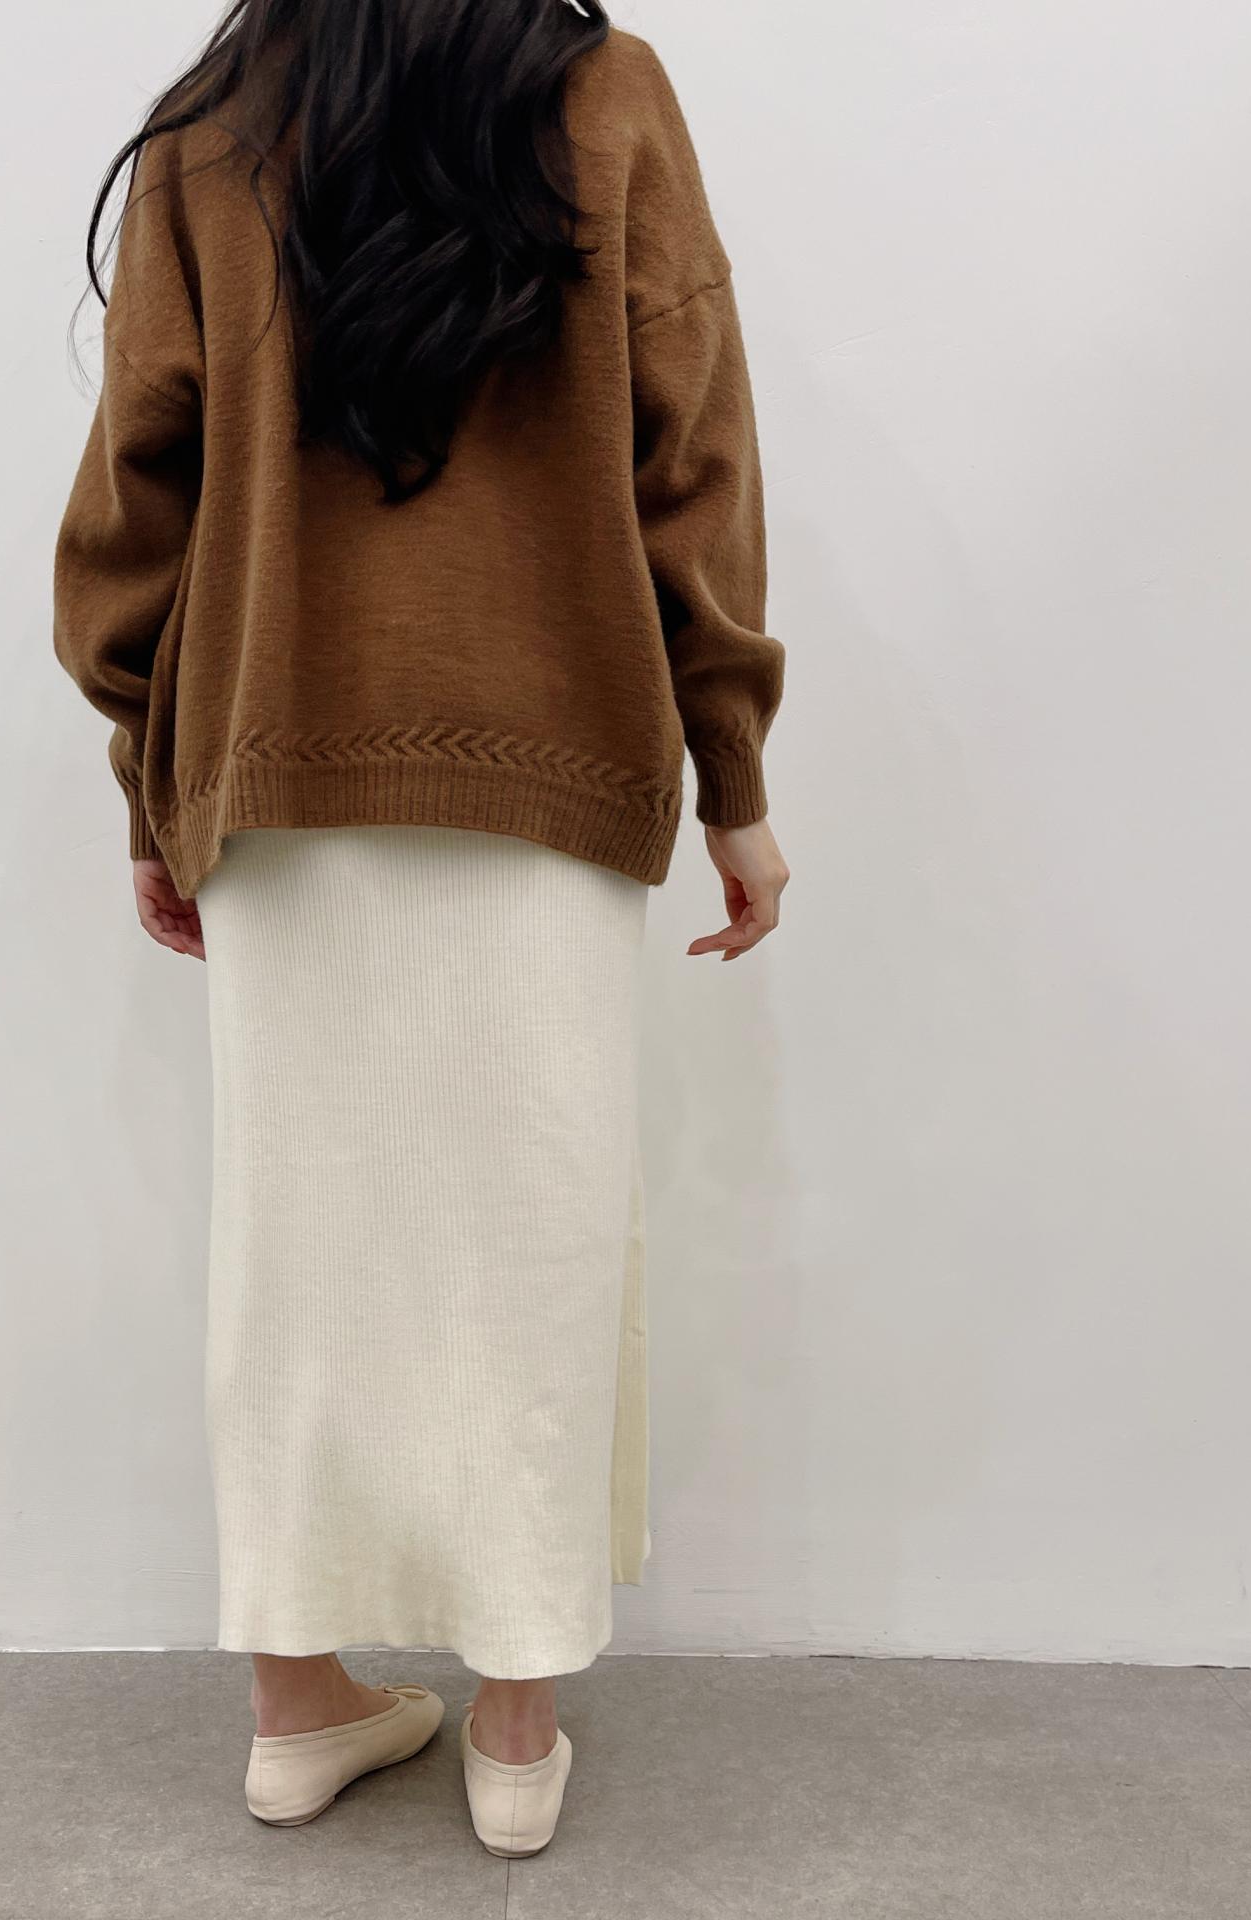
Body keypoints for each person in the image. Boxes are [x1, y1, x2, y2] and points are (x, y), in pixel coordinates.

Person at [53, 0, 788, 1857]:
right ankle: (516, 1727)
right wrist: (735, 779)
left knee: (295, 1252)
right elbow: (691, 452)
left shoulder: (214, 123)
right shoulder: (603, 95)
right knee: (537, 1230)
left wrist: (156, 772)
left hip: (277, 763)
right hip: (555, 756)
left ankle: (295, 1710)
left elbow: (141, 475)